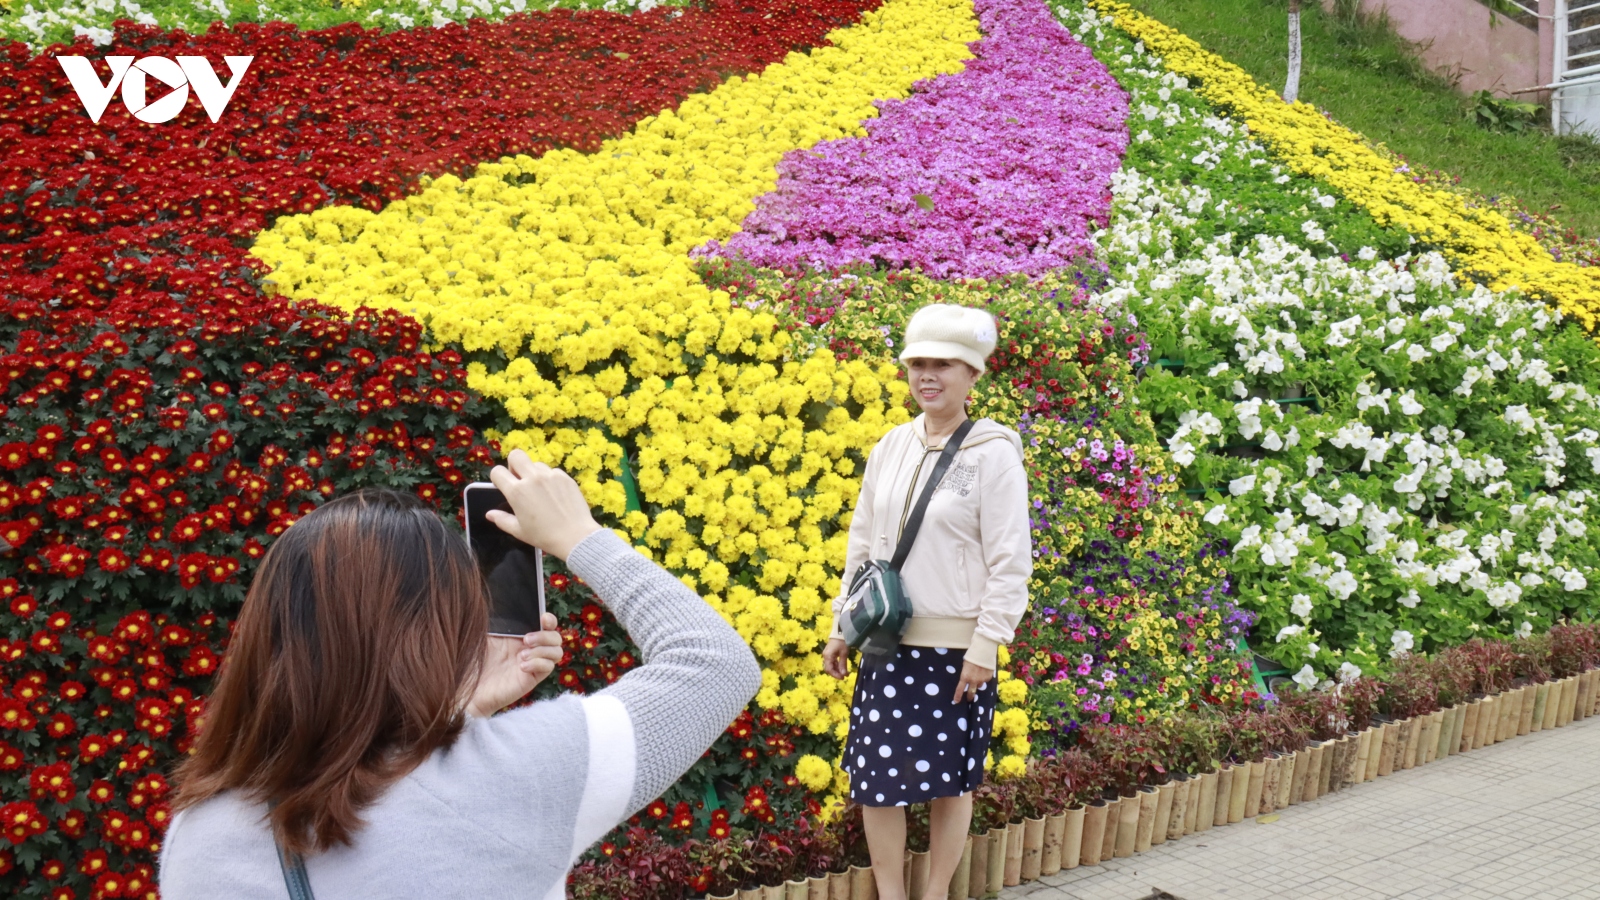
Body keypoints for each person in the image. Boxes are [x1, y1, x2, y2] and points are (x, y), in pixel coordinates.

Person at [159, 450, 761, 899]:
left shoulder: (199, 832)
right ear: (436, 634)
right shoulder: (512, 776)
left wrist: (460, 711)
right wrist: (579, 536)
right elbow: (717, 664)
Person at [822, 303, 1032, 900]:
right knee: (876, 782)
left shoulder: (993, 452)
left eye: (944, 364)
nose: (928, 376)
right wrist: (843, 625)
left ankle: (936, 892)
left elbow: (1011, 559)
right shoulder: (891, 445)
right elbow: (864, 543)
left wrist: (986, 645)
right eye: (918, 364)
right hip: (886, 645)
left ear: (973, 374)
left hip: (957, 653)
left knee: (950, 783)